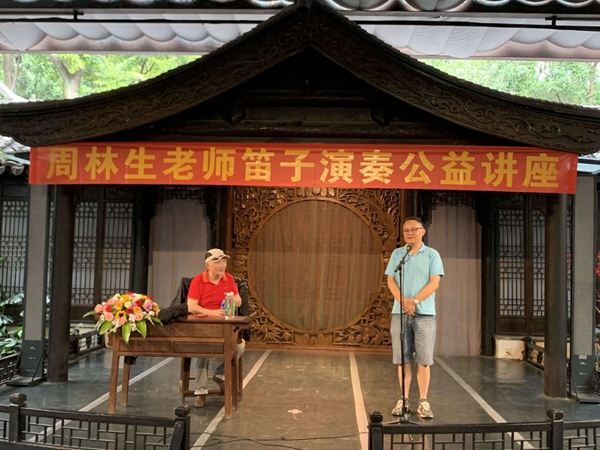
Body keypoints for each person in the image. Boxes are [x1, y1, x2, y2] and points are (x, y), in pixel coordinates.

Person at [385, 217, 444, 419]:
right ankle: (404, 399)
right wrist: (404, 302)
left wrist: (414, 301)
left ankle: (423, 401)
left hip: (424, 314)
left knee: (424, 360)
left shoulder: (432, 255)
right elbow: (391, 280)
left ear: (422, 231)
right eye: (406, 230)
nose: (410, 233)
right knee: (403, 359)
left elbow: (434, 283)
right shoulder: (398, 254)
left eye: (414, 229)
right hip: (400, 313)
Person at [187, 248, 244, 408]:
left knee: (239, 346)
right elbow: (191, 306)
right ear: (208, 265)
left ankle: (220, 373)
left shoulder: (229, 278)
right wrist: (211, 312)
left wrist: (231, 299)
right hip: (202, 324)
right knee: (201, 350)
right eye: (218, 262)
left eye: (224, 261)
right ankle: (201, 390)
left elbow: (239, 301)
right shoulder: (198, 280)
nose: (222, 265)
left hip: (224, 324)